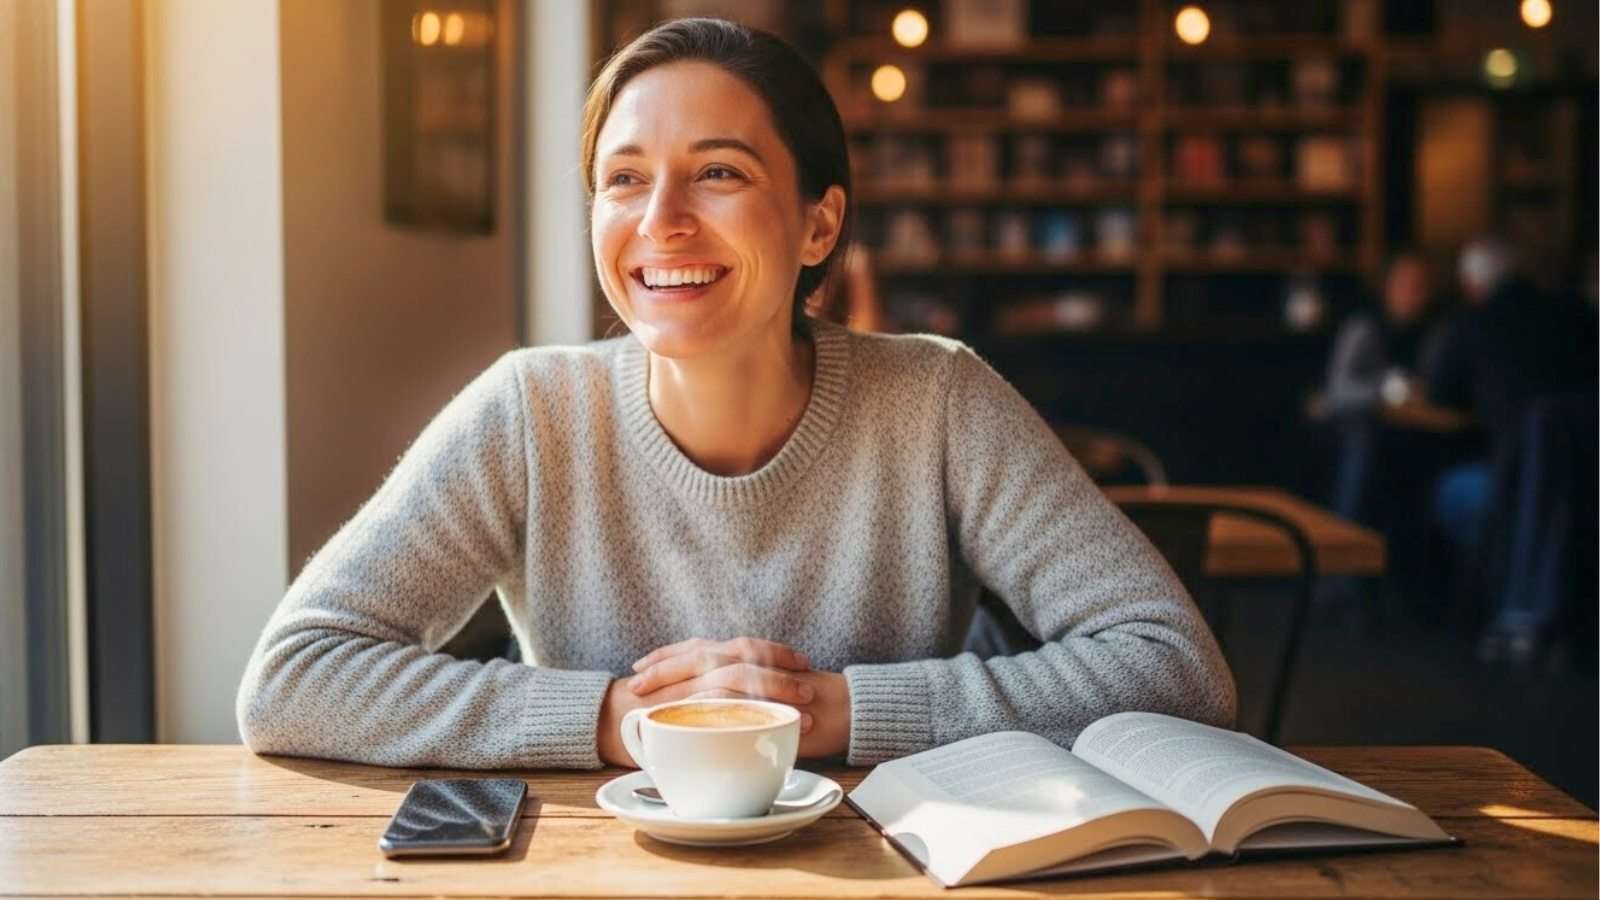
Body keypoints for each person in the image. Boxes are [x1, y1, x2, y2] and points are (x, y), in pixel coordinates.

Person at [235, 18, 1234, 771]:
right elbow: (293, 678)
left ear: (817, 225)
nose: (660, 220)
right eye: (624, 179)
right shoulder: (531, 411)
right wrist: (611, 719)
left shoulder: (938, 400)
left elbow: (1176, 668)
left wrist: (841, 710)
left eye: (717, 172)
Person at [1425, 236, 1598, 647]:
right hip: (1584, 473)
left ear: (1471, 285)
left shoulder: (1473, 321)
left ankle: (1482, 604)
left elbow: (1440, 396)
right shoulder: (1574, 312)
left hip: (1514, 475)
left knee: (1447, 492)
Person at [1321, 251, 1452, 530]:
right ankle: (1345, 544)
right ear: (1387, 286)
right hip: (1363, 424)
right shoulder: (1364, 326)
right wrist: (1384, 391)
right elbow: (1337, 390)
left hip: (1413, 426)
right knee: (1363, 445)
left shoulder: (1437, 331)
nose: (1413, 292)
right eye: (1405, 283)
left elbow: (1436, 386)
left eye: (1420, 284)